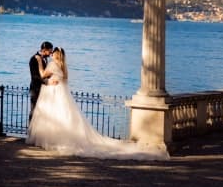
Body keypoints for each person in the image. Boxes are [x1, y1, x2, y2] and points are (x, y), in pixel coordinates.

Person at [26, 47, 169, 160]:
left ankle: (51, 139)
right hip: (60, 93)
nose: (51, 54)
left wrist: (39, 62)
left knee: (53, 115)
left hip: (53, 92)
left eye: (53, 52)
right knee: (62, 116)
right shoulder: (63, 66)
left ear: (55, 55)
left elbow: (43, 74)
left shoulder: (52, 64)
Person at [27, 41, 53, 120]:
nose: (51, 53)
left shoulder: (45, 59)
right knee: (34, 110)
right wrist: (46, 82)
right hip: (35, 88)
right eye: (50, 51)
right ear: (44, 50)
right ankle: (31, 129)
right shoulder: (34, 59)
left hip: (44, 89)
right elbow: (34, 76)